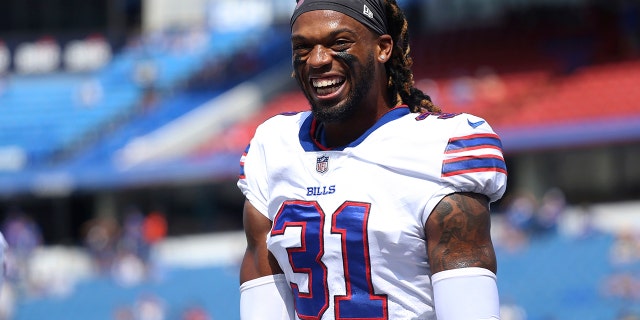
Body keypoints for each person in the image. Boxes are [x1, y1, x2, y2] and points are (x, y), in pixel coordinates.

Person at [237, 0, 508, 319]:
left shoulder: (441, 146)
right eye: (303, 47)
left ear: (383, 48)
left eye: (339, 43)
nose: (318, 60)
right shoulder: (273, 146)